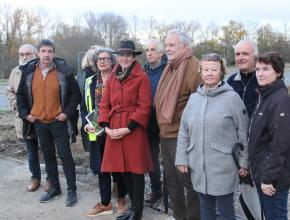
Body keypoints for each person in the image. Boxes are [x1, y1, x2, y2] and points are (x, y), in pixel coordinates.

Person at [175, 53, 249, 220]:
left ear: (221, 72)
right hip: (198, 166)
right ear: (201, 71)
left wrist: (244, 162)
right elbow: (184, 131)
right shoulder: (194, 99)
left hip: (223, 166)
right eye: (206, 69)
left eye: (214, 70)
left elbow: (243, 133)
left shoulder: (232, 98)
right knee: (205, 208)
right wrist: (181, 158)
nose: (209, 73)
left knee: (225, 210)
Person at [16, 39, 81, 206]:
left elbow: (75, 95)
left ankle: (72, 190)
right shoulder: (29, 71)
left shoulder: (64, 71)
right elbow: (20, 96)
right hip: (39, 122)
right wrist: (25, 114)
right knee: (48, 156)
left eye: (50, 51)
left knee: (65, 156)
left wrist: (66, 113)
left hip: (58, 121)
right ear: (38, 53)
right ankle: (55, 188)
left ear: (54, 53)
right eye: (43, 51)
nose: (46, 54)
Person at [98, 40, 153, 220]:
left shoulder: (141, 77)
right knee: (122, 170)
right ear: (118, 57)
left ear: (133, 57)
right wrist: (105, 127)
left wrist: (128, 128)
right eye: (121, 55)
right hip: (114, 127)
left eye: (128, 55)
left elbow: (144, 107)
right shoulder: (113, 76)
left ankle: (137, 212)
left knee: (135, 171)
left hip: (132, 129)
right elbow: (105, 104)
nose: (124, 58)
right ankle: (132, 208)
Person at [154, 29, 201, 220]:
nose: (167, 49)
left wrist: (189, 136)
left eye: (171, 45)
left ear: (185, 46)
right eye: (166, 45)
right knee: (172, 181)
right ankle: (180, 216)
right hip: (165, 134)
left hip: (183, 137)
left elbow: (199, 106)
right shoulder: (171, 66)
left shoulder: (194, 67)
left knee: (189, 183)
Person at [80, 47, 127, 216]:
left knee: (118, 166)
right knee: (101, 167)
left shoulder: (120, 79)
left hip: (115, 128)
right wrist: (87, 125)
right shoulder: (90, 81)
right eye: (99, 59)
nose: (102, 61)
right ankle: (105, 203)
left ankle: (121, 198)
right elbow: (85, 106)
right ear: (95, 62)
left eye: (106, 58)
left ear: (112, 61)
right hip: (95, 129)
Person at [248, 52, 290, 220]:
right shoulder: (265, 95)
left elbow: (280, 144)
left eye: (266, 69)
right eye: (257, 69)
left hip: (273, 180)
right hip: (262, 172)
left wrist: (268, 179)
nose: (260, 73)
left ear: (278, 72)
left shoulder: (279, 100)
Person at [6, 44, 44, 192]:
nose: (24, 57)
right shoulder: (15, 72)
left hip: (43, 117)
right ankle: (35, 178)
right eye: (21, 54)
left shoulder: (42, 69)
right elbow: (10, 91)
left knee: (48, 150)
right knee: (31, 150)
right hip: (24, 119)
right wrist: (20, 108)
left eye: (27, 54)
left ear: (35, 54)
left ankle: (51, 180)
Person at [143, 39, 167, 204]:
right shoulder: (143, 70)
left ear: (161, 53)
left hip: (165, 119)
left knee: (169, 158)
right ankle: (156, 189)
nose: (149, 53)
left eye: (153, 50)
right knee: (151, 157)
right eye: (147, 50)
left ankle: (170, 191)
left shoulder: (169, 70)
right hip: (148, 119)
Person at [77, 45, 101, 152]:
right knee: (94, 152)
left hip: (105, 122)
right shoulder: (84, 76)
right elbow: (83, 103)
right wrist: (86, 123)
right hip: (91, 120)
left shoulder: (108, 76)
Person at [227, 39, 259, 117]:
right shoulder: (230, 81)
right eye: (237, 54)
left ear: (255, 56)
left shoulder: (264, 79)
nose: (240, 58)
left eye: (245, 54)